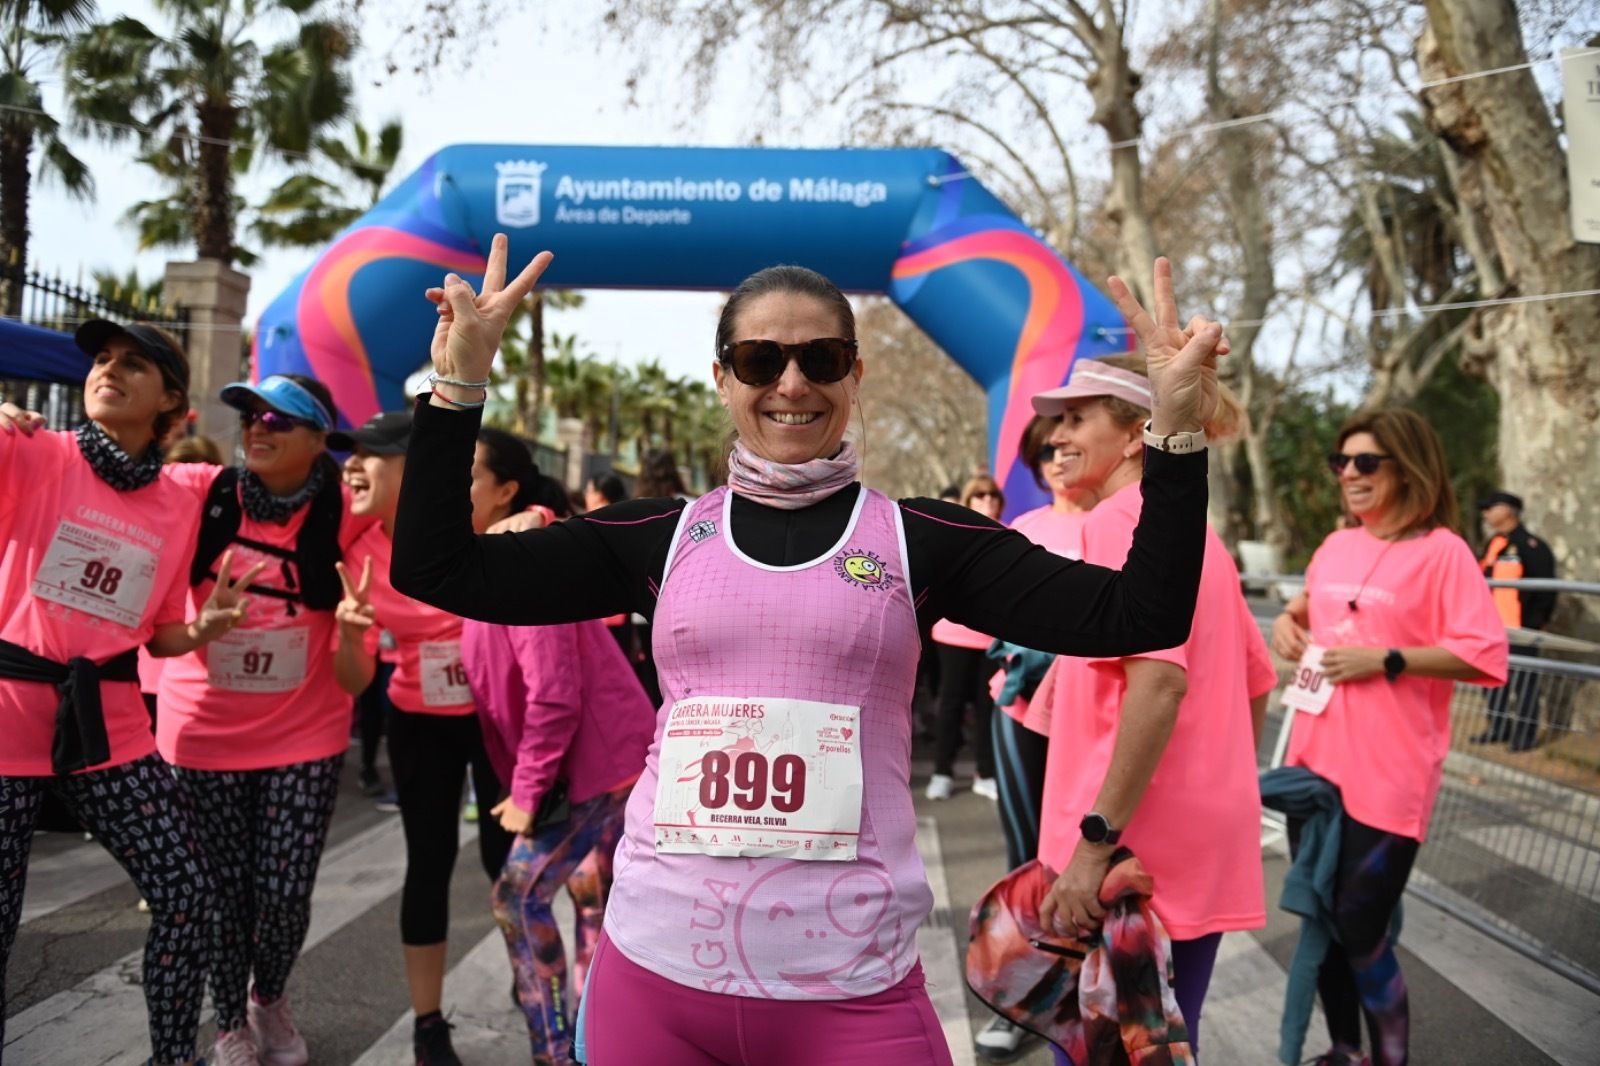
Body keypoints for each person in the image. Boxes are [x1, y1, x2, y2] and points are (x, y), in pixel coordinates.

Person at [391, 238, 1221, 1066]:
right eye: (759, 359)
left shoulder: (919, 540)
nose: (791, 383)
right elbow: (437, 566)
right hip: (656, 973)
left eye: (820, 358)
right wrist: (457, 386)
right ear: (723, 378)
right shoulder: (658, 536)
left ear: (855, 376)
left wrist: (1176, 435)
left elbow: (1138, 614)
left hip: (851, 985)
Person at [0, 319, 259, 1066]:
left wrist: (203, 627)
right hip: (11, 717)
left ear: (173, 402)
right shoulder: (32, 449)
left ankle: (173, 1058)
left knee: (189, 900)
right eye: (103, 360)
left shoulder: (184, 496)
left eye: (133, 364)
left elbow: (158, 635)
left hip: (112, 730)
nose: (108, 371)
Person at [1032, 356, 1275, 1061]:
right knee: (1163, 1044)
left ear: (1141, 431)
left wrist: (1092, 846)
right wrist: (1218, 781)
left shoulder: (1119, 521)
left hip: (1126, 847)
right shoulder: (1202, 533)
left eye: (1079, 418)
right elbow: (1256, 682)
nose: (1058, 435)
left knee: (1096, 1049)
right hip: (1191, 839)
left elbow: (1159, 685)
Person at [1270, 409, 1508, 1066]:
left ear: (1409, 468)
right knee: (1322, 918)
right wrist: (1289, 626)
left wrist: (1390, 659)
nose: (1349, 473)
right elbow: (1309, 604)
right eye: (1341, 461)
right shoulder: (1335, 545)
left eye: (1366, 462)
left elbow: (1486, 654)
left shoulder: (1444, 552)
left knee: (1361, 927)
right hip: (1313, 764)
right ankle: (1346, 1051)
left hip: (1390, 773)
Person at [156, 373, 374, 1066]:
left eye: (280, 420)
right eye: (251, 414)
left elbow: (429, 509)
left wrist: (534, 517)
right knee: (223, 895)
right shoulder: (203, 493)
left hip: (304, 737)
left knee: (282, 896)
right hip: (202, 734)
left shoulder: (344, 514)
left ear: (319, 442)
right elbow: (113, 476)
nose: (259, 427)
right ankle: (228, 1022)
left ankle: (269, 995)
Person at [463, 427, 656, 1066]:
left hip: (596, 764)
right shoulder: (490, 551)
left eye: (464, 475)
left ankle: (557, 1051)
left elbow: (554, 696)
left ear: (506, 490)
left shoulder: (523, 558)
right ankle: (593, 1043)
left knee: (517, 897)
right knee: (591, 901)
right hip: (597, 761)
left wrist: (527, 792)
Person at [330, 409, 515, 1066]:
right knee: (428, 865)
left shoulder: (476, 525)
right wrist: (352, 632)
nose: (352, 464)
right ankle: (428, 1023)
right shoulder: (357, 551)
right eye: (349, 453)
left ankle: (530, 979)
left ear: (417, 467)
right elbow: (353, 682)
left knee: (505, 863)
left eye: (370, 453)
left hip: (498, 720)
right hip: (419, 720)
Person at [971, 416, 1089, 1061]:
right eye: (1044, 450)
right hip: (1019, 713)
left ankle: (1087, 994)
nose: (1057, 457)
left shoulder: (1128, 525)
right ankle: (1024, 1002)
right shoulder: (1026, 531)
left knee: (1093, 863)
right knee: (1029, 858)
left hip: (1098, 724)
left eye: (1067, 443)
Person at [926, 475, 1005, 802]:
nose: (987, 500)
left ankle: (984, 772)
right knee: (951, 704)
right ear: (969, 500)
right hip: (952, 636)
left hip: (992, 639)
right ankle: (942, 771)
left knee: (988, 709)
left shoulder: (1011, 535)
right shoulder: (953, 532)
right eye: (980, 495)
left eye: (992, 495)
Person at [1472, 490, 1556, 751]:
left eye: (1490, 507)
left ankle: (1524, 735)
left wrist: (1537, 621)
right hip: (1490, 628)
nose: (1485, 513)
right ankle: (1498, 727)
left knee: (1524, 683)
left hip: (1520, 629)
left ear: (1509, 510)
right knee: (1490, 680)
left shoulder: (1532, 546)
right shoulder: (1493, 544)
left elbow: (1546, 588)